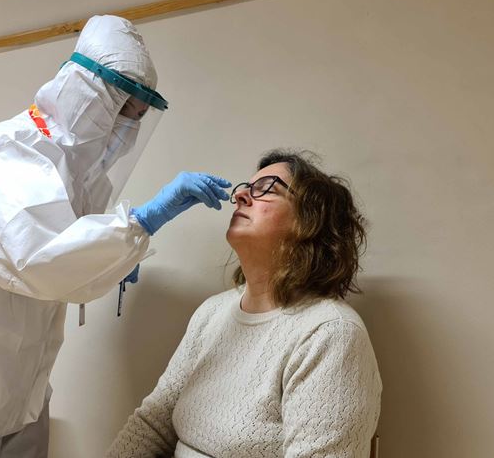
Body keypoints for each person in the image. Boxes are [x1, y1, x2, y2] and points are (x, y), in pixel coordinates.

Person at [0, 15, 231, 458]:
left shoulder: (78, 176)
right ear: (88, 93)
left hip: (16, 395)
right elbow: (40, 260)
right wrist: (140, 223)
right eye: (123, 110)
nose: (126, 129)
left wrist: (110, 257)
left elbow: (61, 258)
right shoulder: (8, 150)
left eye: (136, 118)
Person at [107, 149, 382, 458]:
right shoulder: (212, 312)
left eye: (267, 189)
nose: (241, 197)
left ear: (311, 221)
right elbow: (152, 426)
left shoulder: (329, 334)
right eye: (245, 188)